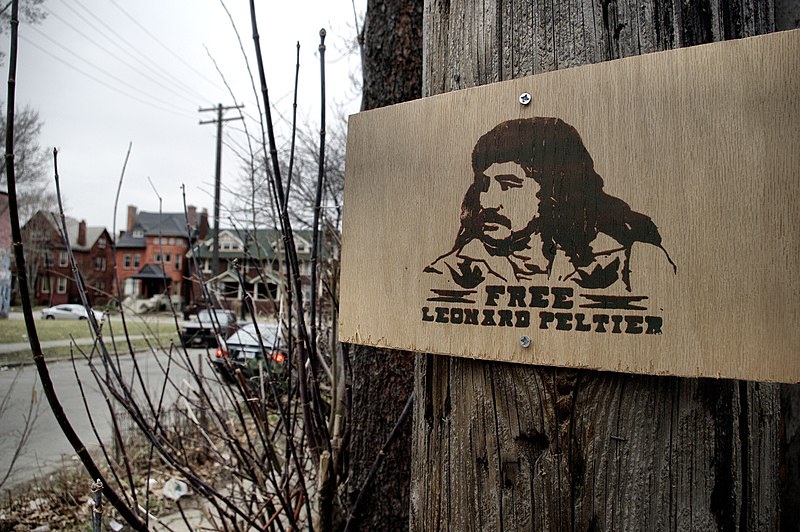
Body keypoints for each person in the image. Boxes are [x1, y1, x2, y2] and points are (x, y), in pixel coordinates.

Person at [424, 117, 676, 291]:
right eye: (484, 186)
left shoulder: (631, 262)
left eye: (508, 185)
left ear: (554, 191)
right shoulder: (452, 270)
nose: (486, 202)